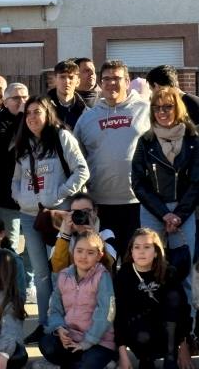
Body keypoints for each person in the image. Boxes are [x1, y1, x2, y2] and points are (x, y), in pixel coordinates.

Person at [12, 95, 89, 344]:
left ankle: (66, 323)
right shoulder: (23, 143)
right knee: (42, 274)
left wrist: (59, 195)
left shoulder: (61, 137)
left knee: (61, 271)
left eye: (38, 111)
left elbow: (82, 170)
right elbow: (16, 179)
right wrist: (20, 198)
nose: (33, 117)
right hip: (29, 217)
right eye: (29, 113)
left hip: (59, 217)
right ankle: (45, 325)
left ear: (48, 114)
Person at [132, 86, 199, 309]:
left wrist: (178, 215)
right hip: (153, 211)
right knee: (149, 269)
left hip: (184, 211)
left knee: (184, 273)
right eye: (157, 107)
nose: (162, 112)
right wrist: (164, 213)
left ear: (177, 108)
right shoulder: (145, 141)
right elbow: (139, 183)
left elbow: (196, 183)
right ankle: (154, 328)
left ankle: (187, 334)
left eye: (168, 107)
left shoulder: (193, 140)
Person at [73, 60, 150, 255]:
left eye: (116, 78)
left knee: (137, 260)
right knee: (105, 260)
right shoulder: (87, 118)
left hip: (138, 202)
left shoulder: (146, 110)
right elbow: (76, 160)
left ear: (127, 80)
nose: (111, 83)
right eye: (106, 79)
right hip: (100, 204)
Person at [38, 231, 116, 369]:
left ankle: (92, 361)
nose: (83, 256)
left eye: (90, 253)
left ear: (99, 256)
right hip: (72, 337)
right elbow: (55, 308)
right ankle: (76, 361)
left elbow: (106, 312)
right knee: (46, 344)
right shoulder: (64, 276)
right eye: (79, 251)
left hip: (98, 341)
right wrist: (59, 328)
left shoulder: (102, 277)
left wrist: (88, 342)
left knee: (87, 363)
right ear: (73, 252)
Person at [115, 228, 192, 369]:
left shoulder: (168, 273)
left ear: (156, 252)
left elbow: (182, 310)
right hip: (139, 335)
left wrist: (184, 345)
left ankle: (170, 355)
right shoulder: (124, 275)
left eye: (147, 247)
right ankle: (146, 359)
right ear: (131, 251)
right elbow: (119, 315)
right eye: (136, 247)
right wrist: (122, 354)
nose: (141, 251)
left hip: (167, 335)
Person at [0, 83, 28, 249]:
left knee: (32, 247)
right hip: (6, 198)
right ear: (5, 102)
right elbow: (7, 149)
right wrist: (20, 117)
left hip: (31, 197)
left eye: (25, 97)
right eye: (16, 98)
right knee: (9, 246)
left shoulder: (32, 121)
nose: (22, 101)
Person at [50, 192, 117, 274]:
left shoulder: (106, 233)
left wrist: (94, 238)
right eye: (76, 212)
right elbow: (58, 268)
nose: (81, 215)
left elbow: (107, 266)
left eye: (86, 211)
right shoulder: (64, 235)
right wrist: (65, 237)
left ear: (95, 212)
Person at [47, 60, 87, 130]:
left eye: (71, 77)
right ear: (55, 80)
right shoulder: (43, 107)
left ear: (78, 81)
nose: (67, 81)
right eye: (62, 77)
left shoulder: (85, 112)